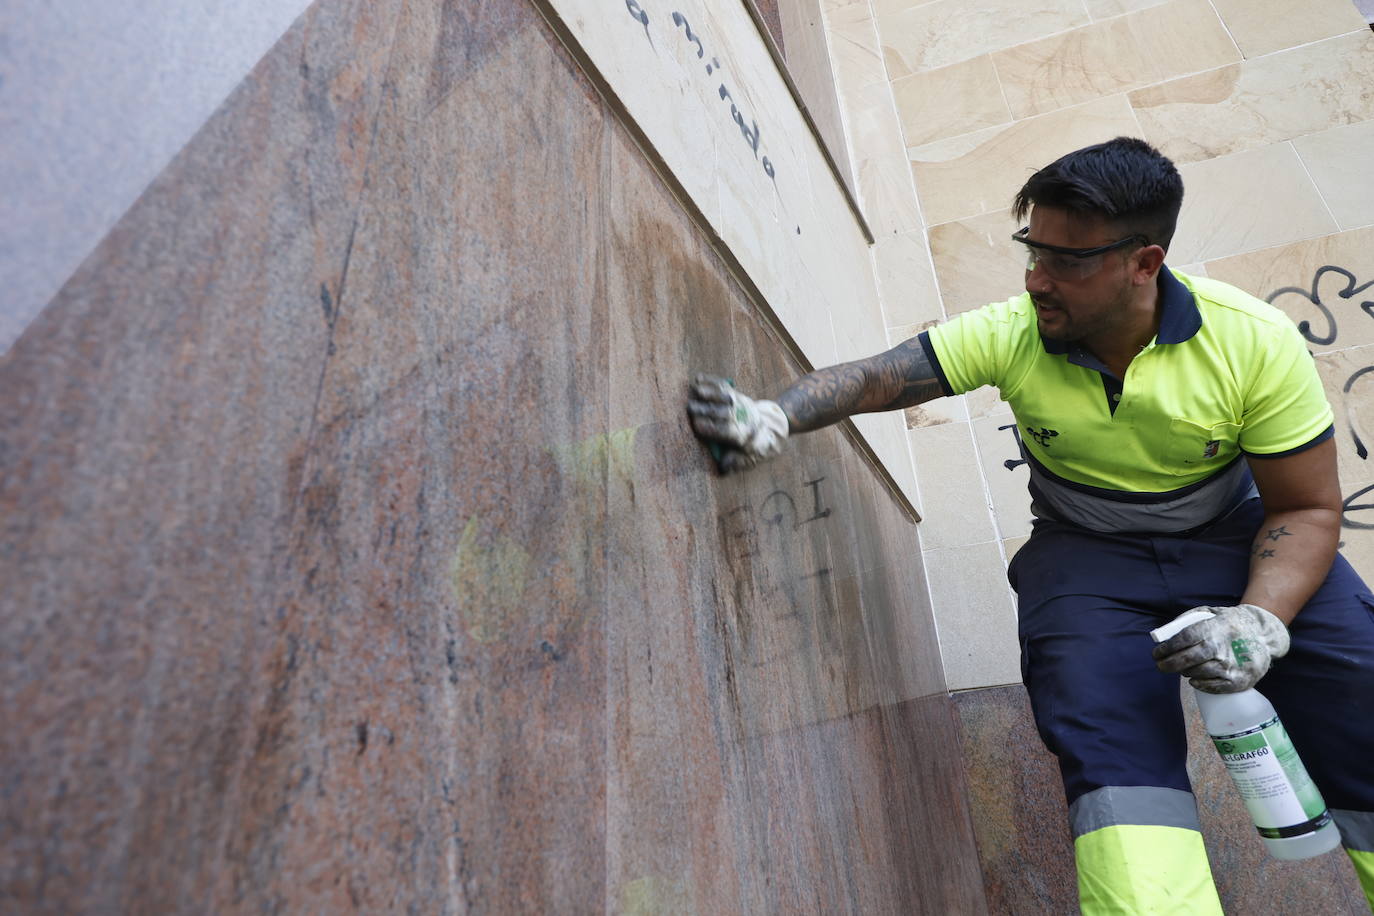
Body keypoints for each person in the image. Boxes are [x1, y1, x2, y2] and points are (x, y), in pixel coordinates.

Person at [687, 136, 1374, 913]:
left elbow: (1308, 508)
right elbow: (879, 375)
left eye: (1068, 263)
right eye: (1031, 252)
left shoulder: (1251, 341)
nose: (1036, 281)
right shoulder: (1016, 331)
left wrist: (1260, 618)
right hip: (1085, 560)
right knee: (1102, 733)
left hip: (1240, 536)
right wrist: (776, 412)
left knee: (1361, 686)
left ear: (1145, 264)